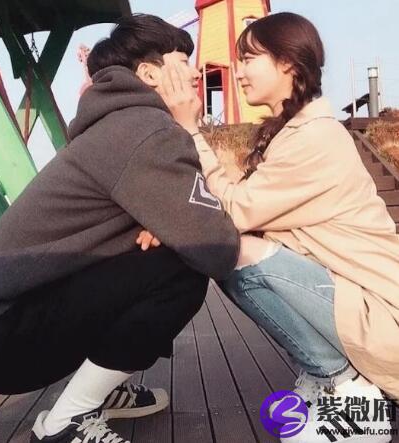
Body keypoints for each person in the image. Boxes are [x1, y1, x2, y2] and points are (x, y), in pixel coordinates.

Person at [0, 14, 239, 443]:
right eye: (183, 61)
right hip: (4, 335)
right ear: (150, 74)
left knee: (163, 254)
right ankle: (64, 423)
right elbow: (216, 245)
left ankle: (104, 392)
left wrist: (166, 223)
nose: (195, 72)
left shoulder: (117, 123)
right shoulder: (145, 131)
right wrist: (189, 127)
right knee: (180, 271)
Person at [140, 12, 399, 443]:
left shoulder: (315, 138)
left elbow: (233, 211)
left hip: (386, 318)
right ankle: (330, 377)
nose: (238, 71)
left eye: (249, 59)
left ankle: (346, 388)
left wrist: (189, 128)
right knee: (231, 246)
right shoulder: (293, 134)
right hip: (364, 302)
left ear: (288, 64)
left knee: (232, 249)